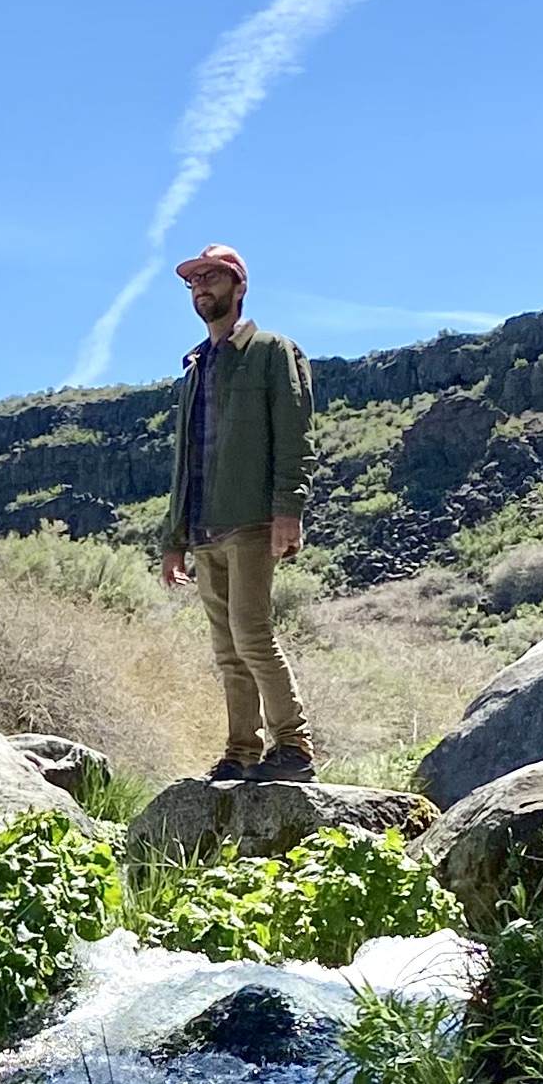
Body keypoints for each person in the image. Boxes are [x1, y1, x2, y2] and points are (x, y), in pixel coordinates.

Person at [155, 243, 314, 781]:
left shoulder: (273, 350)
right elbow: (186, 457)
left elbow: (295, 435)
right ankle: (241, 752)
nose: (202, 287)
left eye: (213, 277)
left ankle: (293, 746)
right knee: (226, 651)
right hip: (202, 528)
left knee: (252, 635)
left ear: (239, 286)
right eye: (194, 280)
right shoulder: (195, 368)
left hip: (250, 519)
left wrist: (288, 510)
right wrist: (173, 538)